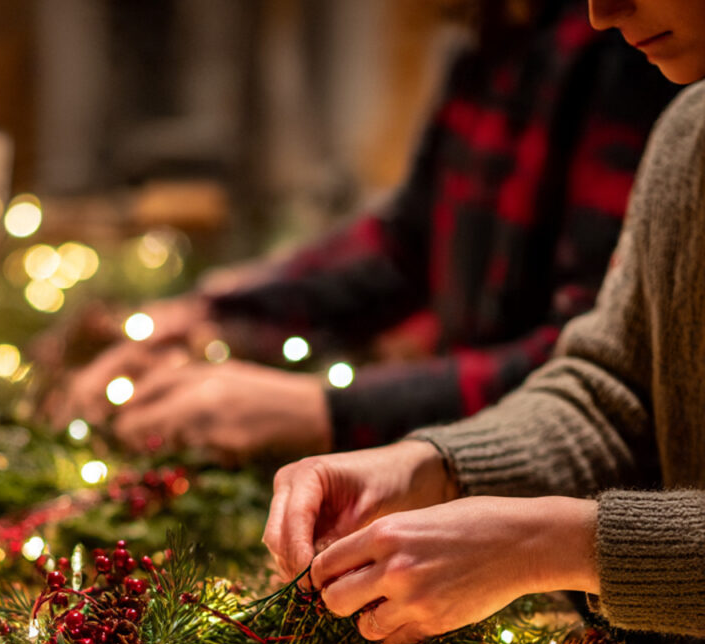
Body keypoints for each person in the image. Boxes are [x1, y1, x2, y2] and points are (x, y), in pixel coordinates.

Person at [262, 0, 705, 644]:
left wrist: (552, 544)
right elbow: (608, 393)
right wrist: (432, 467)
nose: (601, 12)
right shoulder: (690, 131)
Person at [53, 0, 678, 462]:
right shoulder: (502, 33)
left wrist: (323, 410)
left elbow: (592, 368)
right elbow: (405, 245)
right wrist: (211, 317)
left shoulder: (642, 54)